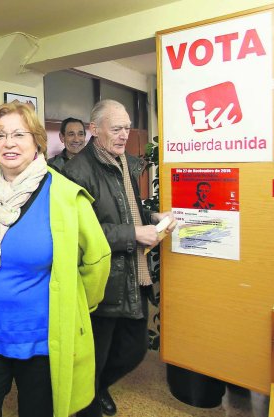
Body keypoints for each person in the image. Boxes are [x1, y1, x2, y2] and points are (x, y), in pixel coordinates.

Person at [0, 102, 112, 417]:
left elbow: (97, 262)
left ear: (37, 142)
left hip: (43, 341)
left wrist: (77, 305)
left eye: (19, 134)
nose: (9, 143)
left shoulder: (66, 197)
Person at [63, 99, 176, 417]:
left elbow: (128, 210)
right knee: (95, 358)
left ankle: (96, 389)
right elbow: (79, 232)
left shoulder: (126, 162)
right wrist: (133, 235)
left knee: (133, 350)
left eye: (127, 127)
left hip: (133, 276)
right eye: (116, 128)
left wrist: (153, 218)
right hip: (103, 282)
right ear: (94, 130)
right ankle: (88, 402)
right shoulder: (76, 172)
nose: (124, 134)